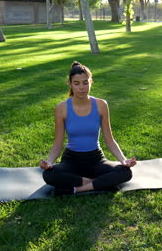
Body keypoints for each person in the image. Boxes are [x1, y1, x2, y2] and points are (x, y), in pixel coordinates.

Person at [40, 61, 137, 196]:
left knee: (125, 172)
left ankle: (78, 188)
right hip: (71, 160)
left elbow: (109, 140)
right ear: (70, 84)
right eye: (76, 83)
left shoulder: (101, 105)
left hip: (96, 159)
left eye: (85, 82)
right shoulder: (61, 108)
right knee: (49, 175)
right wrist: (49, 162)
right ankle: (97, 183)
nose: (81, 88)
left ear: (91, 82)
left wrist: (123, 160)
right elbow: (58, 143)